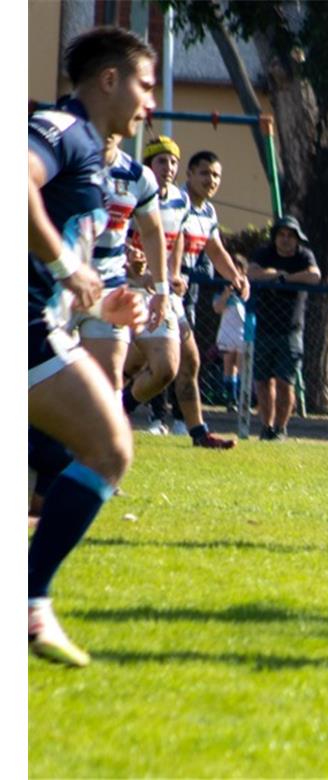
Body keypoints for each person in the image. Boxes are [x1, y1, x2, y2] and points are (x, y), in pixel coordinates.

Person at [28, 25, 156, 666]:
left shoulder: (93, 150)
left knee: (77, 459)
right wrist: (62, 264)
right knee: (107, 448)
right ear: (109, 80)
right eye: (144, 84)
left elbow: (65, 258)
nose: (149, 102)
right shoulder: (63, 129)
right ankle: (28, 605)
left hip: (41, 325)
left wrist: (100, 299)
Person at [145, 148, 247, 447]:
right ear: (189, 175)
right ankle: (147, 417)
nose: (211, 180)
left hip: (176, 291)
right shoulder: (178, 201)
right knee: (155, 363)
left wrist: (235, 276)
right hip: (156, 289)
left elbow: (214, 249)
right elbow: (172, 240)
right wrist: (171, 275)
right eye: (204, 173)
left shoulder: (208, 211)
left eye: (216, 175)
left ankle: (192, 429)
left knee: (186, 362)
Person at [74, 134, 168, 390]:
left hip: (109, 292)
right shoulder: (60, 161)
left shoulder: (138, 175)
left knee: (108, 384)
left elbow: (151, 230)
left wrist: (161, 289)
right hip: (57, 290)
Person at [121, 135, 189, 434]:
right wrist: (132, 265)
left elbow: (174, 239)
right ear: (149, 164)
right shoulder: (128, 191)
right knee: (108, 366)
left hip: (156, 292)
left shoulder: (180, 199)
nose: (169, 167)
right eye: (162, 160)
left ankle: (120, 408)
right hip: (118, 289)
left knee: (166, 368)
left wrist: (172, 275)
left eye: (174, 161)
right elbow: (112, 236)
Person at [247, 214, 321, 440]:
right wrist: (276, 274)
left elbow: (314, 276)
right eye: (282, 235)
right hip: (264, 328)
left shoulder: (304, 255)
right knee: (262, 380)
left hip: (291, 330)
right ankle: (266, 427)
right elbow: (251, 272)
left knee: (284, 382)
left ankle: (280, 428)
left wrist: (287, 279)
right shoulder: (264, 253)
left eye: (291, 236)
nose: (286, 240)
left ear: (298, 239)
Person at [212, 253, 248, 412]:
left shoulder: (246, 287)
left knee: (241, 365)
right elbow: (217, 308)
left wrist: (242, 285)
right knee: (228, 364)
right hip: (227, 329)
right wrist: (227, 294)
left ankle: (243, 399)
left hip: (242, 330)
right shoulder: (221, 290)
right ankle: (230, 399)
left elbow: (246, 298)